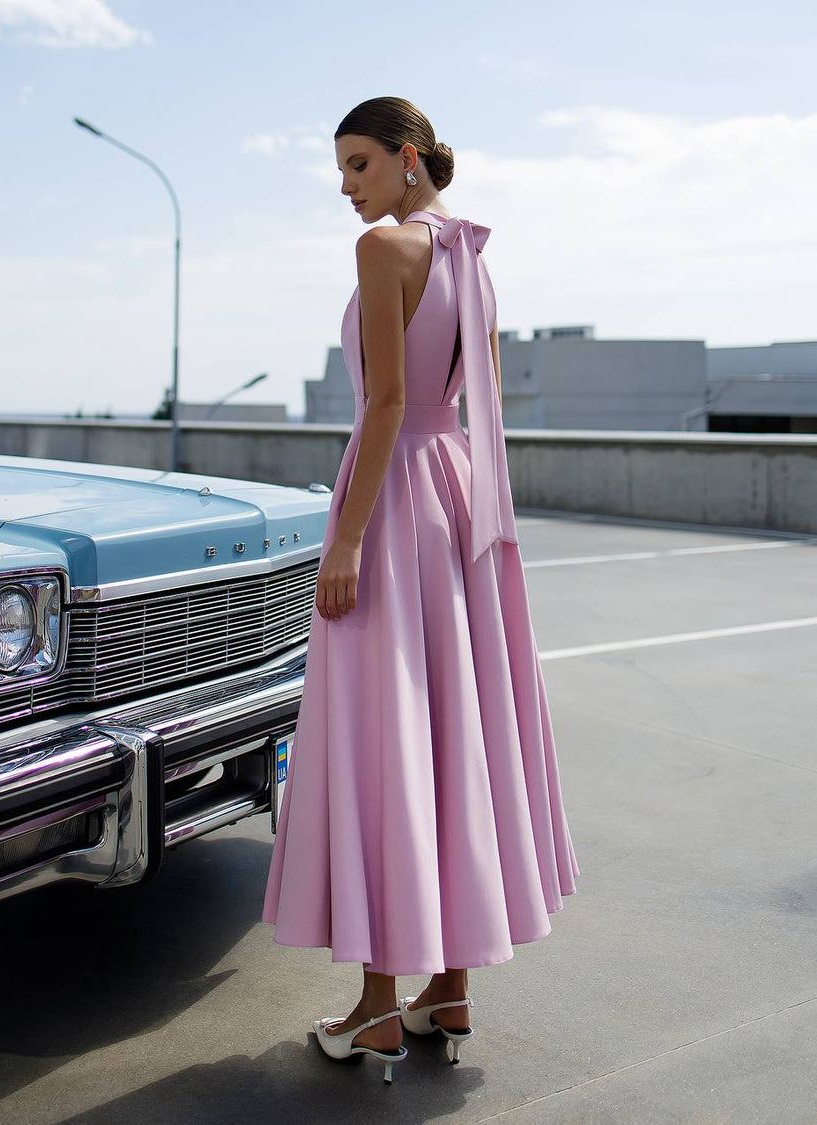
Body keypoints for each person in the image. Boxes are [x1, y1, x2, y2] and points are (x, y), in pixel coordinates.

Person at [261, 96, 579, 1084]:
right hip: (459, 500)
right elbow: (475, 404)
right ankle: (448, 987)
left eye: (357, 164)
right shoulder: (472, 258)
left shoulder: (389, 249)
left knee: (391, 737)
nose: (345, 186)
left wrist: (344, 542)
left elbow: (389, 400)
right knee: (454, 732)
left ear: (407, 160)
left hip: (396, 499)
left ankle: (373, 1010)